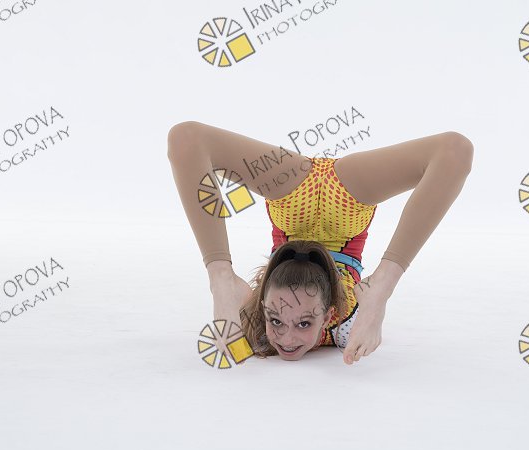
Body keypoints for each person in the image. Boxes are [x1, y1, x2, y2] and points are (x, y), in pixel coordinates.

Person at [166, 122, 474, 365]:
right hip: (349, 200)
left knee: (186, 138)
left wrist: (223, 278)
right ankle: (381, 284)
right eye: (303, 323)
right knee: (454, 151)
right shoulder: (349, 325)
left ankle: (222, 279)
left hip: (291, 197)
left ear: (261, 304)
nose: (286, 339)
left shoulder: (252, 324)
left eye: (277, 319)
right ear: (328, 316)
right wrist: (376, 299)